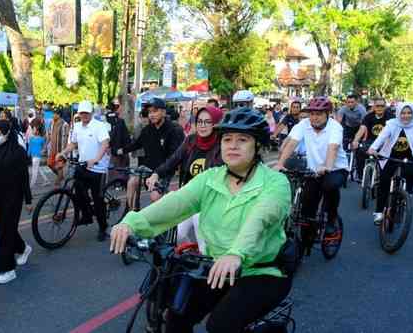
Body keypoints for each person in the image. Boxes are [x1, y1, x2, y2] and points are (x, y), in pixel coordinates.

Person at [110, 107, 292, 333]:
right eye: (227, 139)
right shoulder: (210, 178)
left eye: (242, 140)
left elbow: (261, 218)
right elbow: (177, 202)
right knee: (176, 317)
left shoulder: (275, 182)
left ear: (258, 146)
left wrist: (236, 253)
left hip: (261, 271)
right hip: (217, 267)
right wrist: (131, 223)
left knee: (221, 325)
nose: (232, 145)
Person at [146, 106, 224, 247]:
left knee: (203, 242)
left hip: (209, 200)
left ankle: (205, 262)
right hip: (189, 197)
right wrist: (156, 173)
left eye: (207, 122)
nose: (202, 125)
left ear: (216, 124)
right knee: (177, 236)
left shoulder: (223, 145)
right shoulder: (191, 140)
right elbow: (173, 160)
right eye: (199, 121)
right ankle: (191, 254)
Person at [275, 96, 348, 239]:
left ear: (328, 114)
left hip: (335, 168)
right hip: (314, 170)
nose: (314, 117)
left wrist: (327, 166)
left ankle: (332, 218)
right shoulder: (303, 124)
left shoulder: (335, 127)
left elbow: (332, 148)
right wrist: (280, 164)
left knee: (330, 185)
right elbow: (292, 143)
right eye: (312, 113)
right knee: (307, 205)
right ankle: (306, 239)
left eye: (319, 114)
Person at [0, 119, 32, 284]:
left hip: (13, 196)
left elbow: (24, 177)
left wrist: (28, 199)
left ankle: (7, 268)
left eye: (0, 133)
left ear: (7, 133)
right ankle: (22, 248)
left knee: (5, 231)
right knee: (4, 227)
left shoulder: (18, 152)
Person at [58, 100, 110, 242]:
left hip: (97, 169)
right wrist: (63, 153)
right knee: (78, 192)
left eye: (86, 113)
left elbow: (105, 144)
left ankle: (103, 227)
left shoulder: (99, 126)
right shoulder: (77, 127)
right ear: (79, 113)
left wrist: (96, 159)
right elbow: (73, 143)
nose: (84, 115)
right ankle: (87, 216)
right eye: (82, 113)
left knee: (98, 200)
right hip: (82, 165)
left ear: (91, 113)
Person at [118, 98, 185, 208]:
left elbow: (174, 157)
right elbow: (136, 144)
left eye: (155, 111)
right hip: (148, 167)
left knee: (155, 196)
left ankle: (163, 219)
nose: (151, 115)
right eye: (149, 112)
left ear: (163, 112)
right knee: (132, 182)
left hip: (164, 169)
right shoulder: (147, 130)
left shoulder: (174, 130)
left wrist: (159, 173)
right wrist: (121, 150)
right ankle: (132, 213)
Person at [368, 103, 413, 224]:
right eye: (403, 113)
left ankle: (407, 195)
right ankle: (379, 212)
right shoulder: (391, 124)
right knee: (384, 181)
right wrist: (373, 148)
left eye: (409, 113)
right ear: (398, 113)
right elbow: (381, 138)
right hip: (390, 156)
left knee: (410, 173)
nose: (406, 116)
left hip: (409, 157)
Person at [351, 97, 393, 180]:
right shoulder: (368, 117)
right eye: (377, 106)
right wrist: (355, 141)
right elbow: (362, 129)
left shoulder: (391, 117)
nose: (380, 108)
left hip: (386, 143)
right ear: (374, 107)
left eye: (382, 106)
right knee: (359, 150)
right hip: (371, 142)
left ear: (385, 107)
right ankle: (361, 175)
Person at [106, 99, 131, 181]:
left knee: (114, 166)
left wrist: (109, 145)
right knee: (122, 166)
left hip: (113, 147)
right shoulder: (120, 121)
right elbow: (125, 135)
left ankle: (113, 182)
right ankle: (121, 181)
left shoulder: (106, 118)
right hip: (121, 147)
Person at [47, 109, 70, 186]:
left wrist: (65, 151)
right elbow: (49, 135)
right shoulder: (51, 123)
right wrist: (46, 146)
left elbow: (67, 138)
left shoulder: (65, 124)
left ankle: (58, 184)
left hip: (61, 149)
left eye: (54, 114)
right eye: (53, 114)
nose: (53, 116)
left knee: (60, 167)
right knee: (49, 164)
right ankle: (60, 176)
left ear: (59, 115)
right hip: (53, 149)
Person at [27, 119, 47, 187]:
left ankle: (32, 184)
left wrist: (42, 151)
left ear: (38, 131)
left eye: (34, 129)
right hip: (33, 156)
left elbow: (44, 147)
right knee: (38, 169)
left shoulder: (41, 139)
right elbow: (29, 147)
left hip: (37, 156)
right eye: (32, 129)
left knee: (34, 171)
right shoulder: (31, 138)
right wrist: (27, 155)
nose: (32, 130)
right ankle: (46, 180)